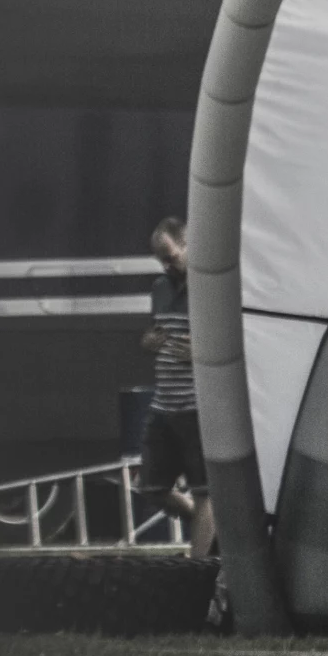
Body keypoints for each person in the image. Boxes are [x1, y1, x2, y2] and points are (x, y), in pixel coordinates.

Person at [136, 217, 215, 559]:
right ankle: (210, 530)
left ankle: (197, 568)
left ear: (188, 245)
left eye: (170, 255)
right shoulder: (159, 288)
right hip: (164, 405)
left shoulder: (211, 288)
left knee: (205, 493)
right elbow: (153, 334)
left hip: (197, 405)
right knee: (150, 488)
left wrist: (203, 351)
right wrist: (148, 342)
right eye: (160, 258)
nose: (166, 264)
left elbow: (238, 342)